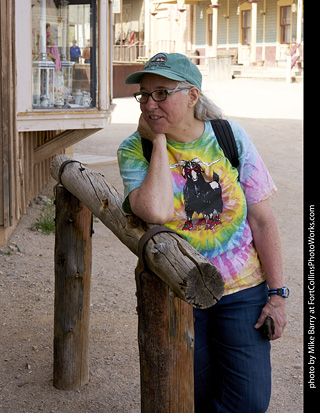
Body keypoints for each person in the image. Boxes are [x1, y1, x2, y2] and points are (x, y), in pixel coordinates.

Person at [117, 52, 288, 412]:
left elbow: (262, 220)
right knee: (192, 392)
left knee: (250, 401)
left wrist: (277, 294)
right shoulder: (136, 149)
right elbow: (155, 210)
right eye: (144, 95)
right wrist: (160, 142)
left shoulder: (230, 137)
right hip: (178, 291)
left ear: (192, 96)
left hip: (242, 291)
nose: (149, 104)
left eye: (162, 93)